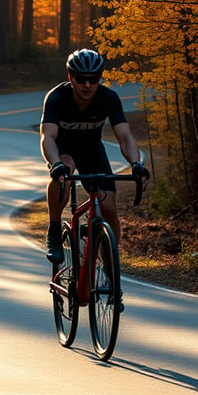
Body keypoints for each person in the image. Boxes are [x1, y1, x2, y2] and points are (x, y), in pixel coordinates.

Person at [40, 48, 149, 264]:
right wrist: (55, 164)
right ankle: (54, 229)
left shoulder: (108, 98)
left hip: (91, 151)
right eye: (81, 79)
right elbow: (48, 137)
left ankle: (110, 265)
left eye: (94, 79)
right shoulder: (57, 97)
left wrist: (136, 164)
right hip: (63, 149)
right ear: (70, 77)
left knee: (108, 207)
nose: (87, 85)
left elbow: (124, 136)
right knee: (65, 169)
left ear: (100, 78)